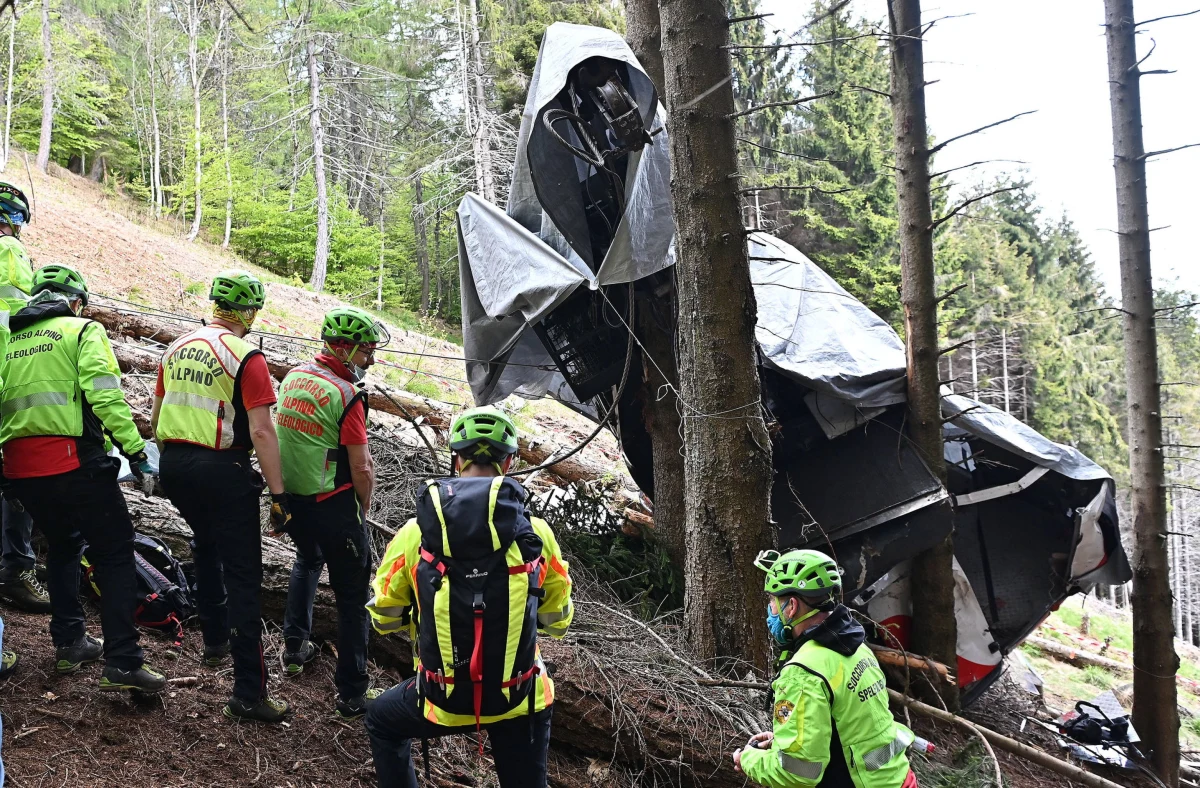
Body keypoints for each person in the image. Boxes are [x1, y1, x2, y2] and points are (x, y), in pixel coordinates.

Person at [365, 406, 574, 788]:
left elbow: (384, 617)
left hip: (441, 697)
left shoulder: (416, 533)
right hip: (519, 696)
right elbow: (557, 620)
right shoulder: (537, 535)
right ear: (508, 463)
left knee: (381, 719)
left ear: (456, 459)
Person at [0, 264, 165, 692]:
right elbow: (105, 394)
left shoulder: (9, 337)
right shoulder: (81, 330)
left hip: (21, 468)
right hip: (74, 460)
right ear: (76, 302)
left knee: (63, 544)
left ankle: (71, 642)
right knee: (114, 552)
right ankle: (124, 663)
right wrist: (135, 451)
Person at [151, 269, 291, 722]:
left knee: (205, 544)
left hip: (173, 464)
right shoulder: (246, 356)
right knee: (244, 575)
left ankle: (213, 641)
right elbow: (263, 432)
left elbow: (156, 415)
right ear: (249, 313)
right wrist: (278, 493)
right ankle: (249, 692)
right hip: (223, 468)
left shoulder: (176, 347)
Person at [278, 306, 387, 719]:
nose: (370, 360)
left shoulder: (294, 377)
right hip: (335, 503)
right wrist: (364, 503)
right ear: (344, 350)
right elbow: (361, 465)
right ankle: (352, 691)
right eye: (365, 352)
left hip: (293, 498)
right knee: (353, 597)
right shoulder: (347, 396)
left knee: (306, 561)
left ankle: (294, 647)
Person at [734, 549, 917, 788]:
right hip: (899, 779)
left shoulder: (803, 672)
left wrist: (748, 759)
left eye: (772, 600)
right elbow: (851, 729)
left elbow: (797, 773)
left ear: (792, 606)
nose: (770, 610)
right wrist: (783, 743)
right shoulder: (855, 647)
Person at [0, 180, 49, 614]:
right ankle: (16, 569)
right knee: (17, 476)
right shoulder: (11, 253)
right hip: (7, 377)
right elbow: (21, 320)